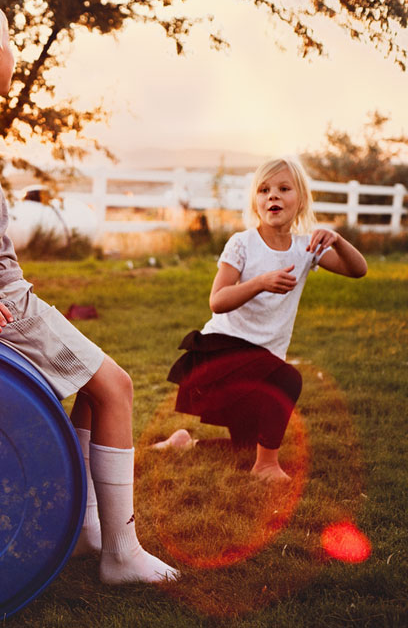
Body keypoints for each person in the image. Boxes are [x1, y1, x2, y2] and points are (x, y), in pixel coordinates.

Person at [0, 0, 177, 585]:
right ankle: (121, 554)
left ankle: (87, 528)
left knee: (89, 389)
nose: (14, 50)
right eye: (11, 38)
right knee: (117, 389)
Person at [155, 157, 367, 482]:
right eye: (264, 190)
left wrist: (337, 239)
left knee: (243, 444)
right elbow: (218, 300)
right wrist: (259, 283)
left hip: (262, 361)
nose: (273, 196)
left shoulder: (306, 248)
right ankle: (266, 466)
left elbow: (358, 270)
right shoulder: (242, 243)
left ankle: (186, 442)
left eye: (284, 189)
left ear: (301, 200)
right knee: (288, 379)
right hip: (222, 353)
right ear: (256, 201)